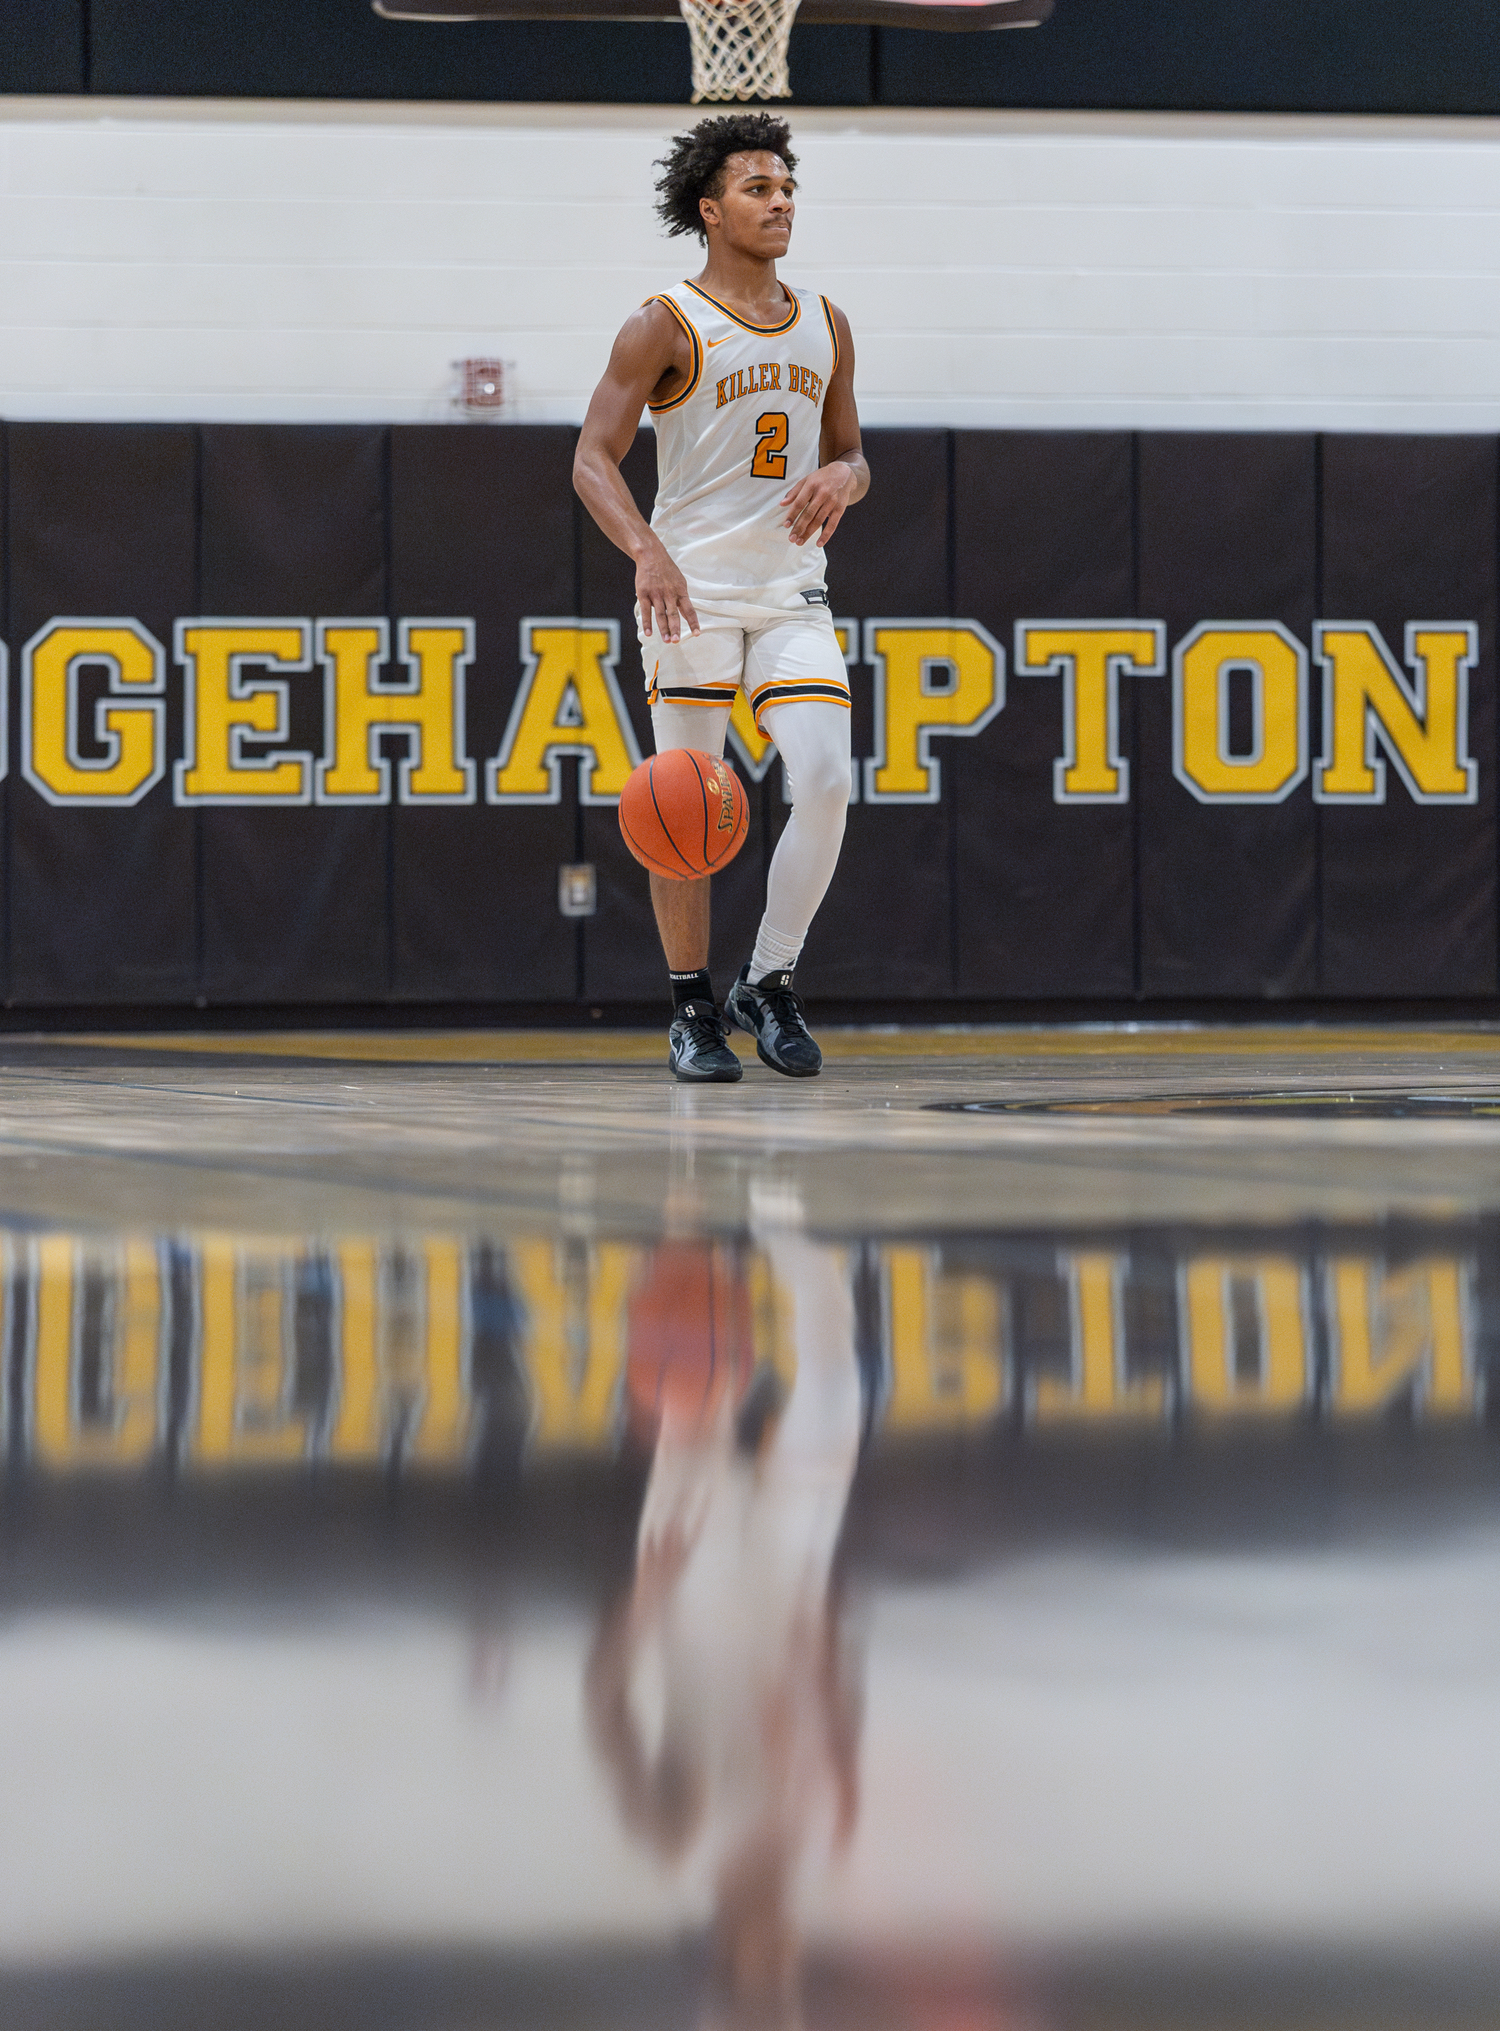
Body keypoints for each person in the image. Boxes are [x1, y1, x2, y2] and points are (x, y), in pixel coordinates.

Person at [574, 113, 870, 1083]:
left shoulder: (827, 322)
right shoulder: (663, 321)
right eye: (758, 187)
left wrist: (849, 480)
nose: (780, 200)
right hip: (689, 596)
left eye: (786, 187)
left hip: (790, 592)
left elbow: (851, 453)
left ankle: (770, 980)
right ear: (712, 209)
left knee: (825, 777)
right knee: (684, 807)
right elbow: (590, 461)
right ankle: (691, 1005)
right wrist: (644, 548)